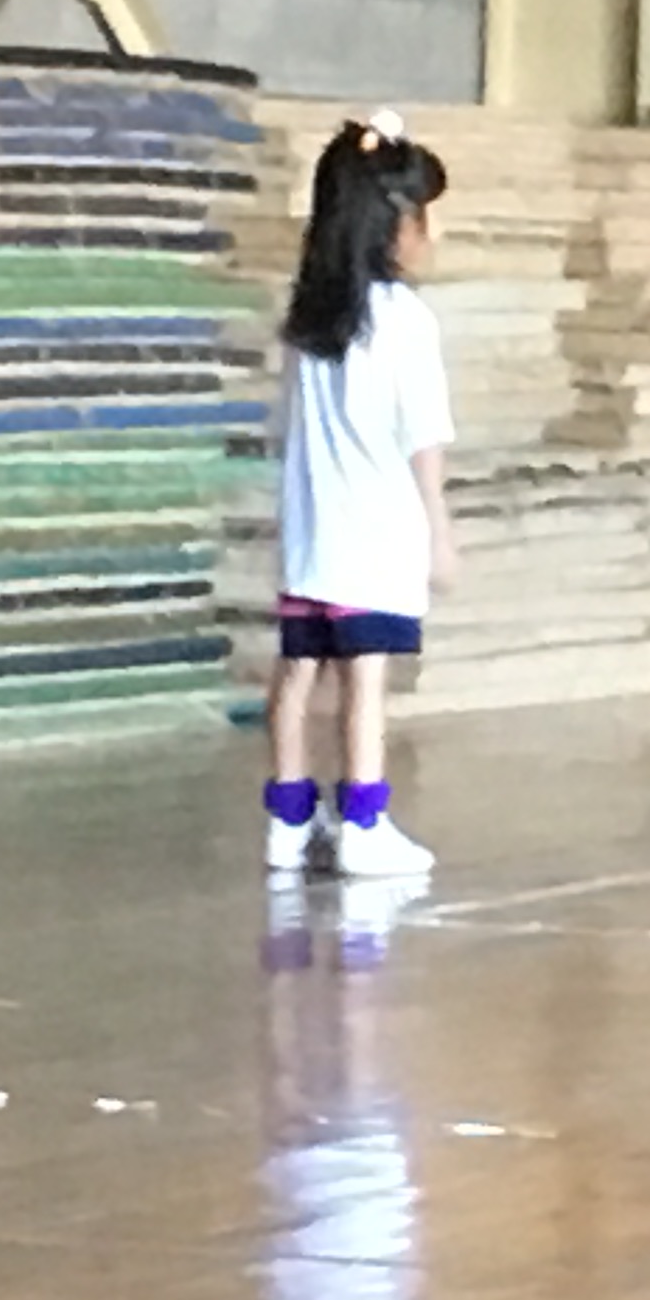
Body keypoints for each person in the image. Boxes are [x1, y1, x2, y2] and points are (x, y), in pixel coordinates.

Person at [265, 111, 459, 885]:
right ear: (394, 225)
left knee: (297, 672)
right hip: (374, 532)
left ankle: (286, 822)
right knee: (364, 680)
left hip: (310, 531)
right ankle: (363, 823)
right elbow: (424, 438)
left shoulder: (310, 320)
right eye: (426, 215)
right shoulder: (406, 322)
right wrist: (439, 530)